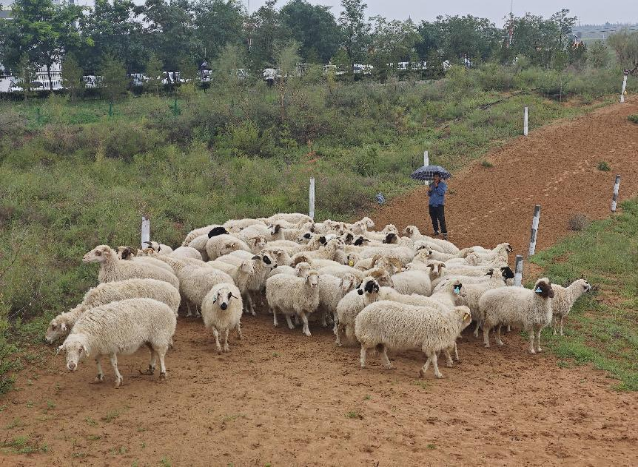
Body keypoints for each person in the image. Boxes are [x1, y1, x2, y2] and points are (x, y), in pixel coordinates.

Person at [427, 172, 448, 239]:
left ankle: (444, 233)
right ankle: (436, 230)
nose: (435, 178)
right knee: (433, 218)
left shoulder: (443, 185)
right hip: (432, 204)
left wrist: (437, 187)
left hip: (439, 204)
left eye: (436, 176)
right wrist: (429, 191)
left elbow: (441, 193)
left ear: (439, 177)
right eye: (434, 176)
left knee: (441, 219)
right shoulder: (431, 184)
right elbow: (429, 195)